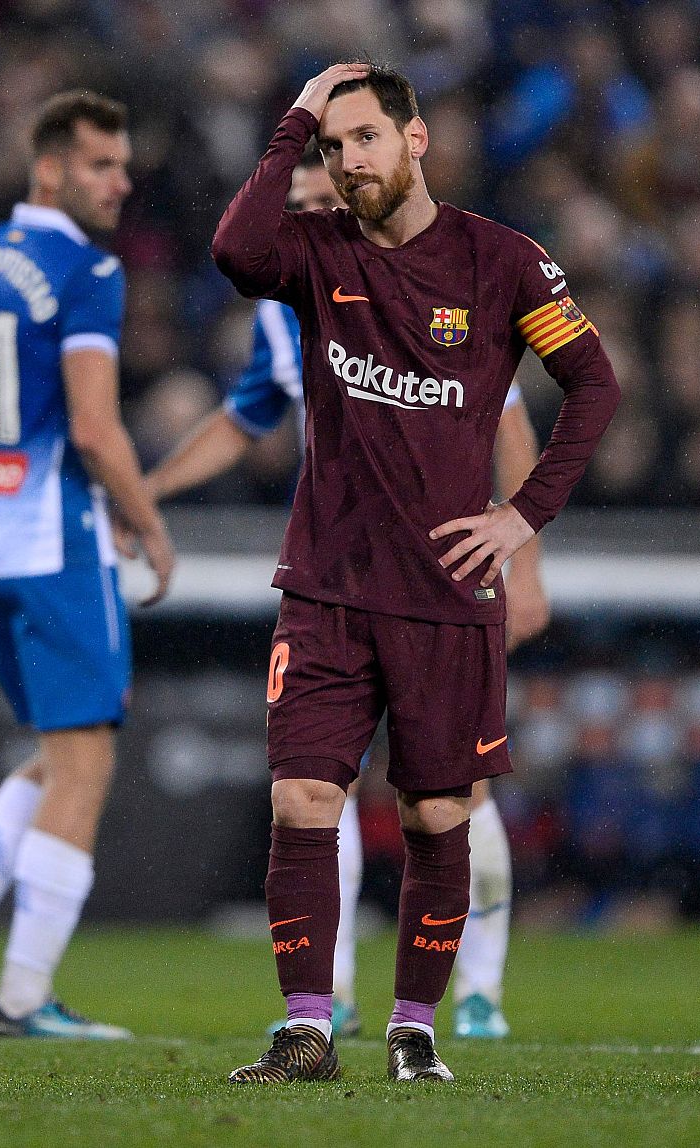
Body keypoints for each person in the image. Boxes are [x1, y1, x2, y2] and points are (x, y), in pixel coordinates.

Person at [212, 61, 618, 1083]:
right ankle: (306, 1027)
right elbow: (232, 246)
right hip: (327, 587)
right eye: (332, 146)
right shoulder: (315, 254)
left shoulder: (502, 261)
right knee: (303, 797)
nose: (347, 162)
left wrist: (521, 517)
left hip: (446, 597)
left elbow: (593, 385)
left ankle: (413, 1027)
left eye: (363, 139)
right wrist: (292, 117)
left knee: (438, 815)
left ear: (415, 139)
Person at [145, 153, 543, 1041]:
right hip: (338, 580)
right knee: (321, 788)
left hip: (441, 585)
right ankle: (340, 992)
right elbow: (245, 420)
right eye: (304, 203)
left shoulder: (441, 288)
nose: (319, 213)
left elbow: (510, 424)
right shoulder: (283, 312)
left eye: (329, 196)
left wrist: (528, 565)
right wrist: (149, 491)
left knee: (450, 797)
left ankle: (477, 989)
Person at [0, 90, 175, 1039]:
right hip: (52, 540)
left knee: (57, 757)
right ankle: (21, 997)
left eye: (123, 165)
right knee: (86, 766)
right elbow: (95, 429)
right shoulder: (89, 271)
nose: (120, 182)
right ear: (48, 167)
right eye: (101, 164)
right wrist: (148, 524)